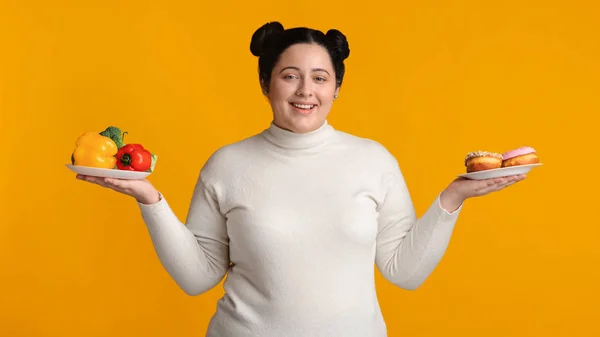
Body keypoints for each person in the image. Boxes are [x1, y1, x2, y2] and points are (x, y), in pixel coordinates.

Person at [76, 21, 526, 337]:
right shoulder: (227, 164)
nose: (305, 91)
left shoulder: (373, 160)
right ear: (266, 83)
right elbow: (198, 278)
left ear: (336, 89)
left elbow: (404, 272)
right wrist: (149, 199)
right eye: (289, 76)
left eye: (320, 78)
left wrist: (452, 198)